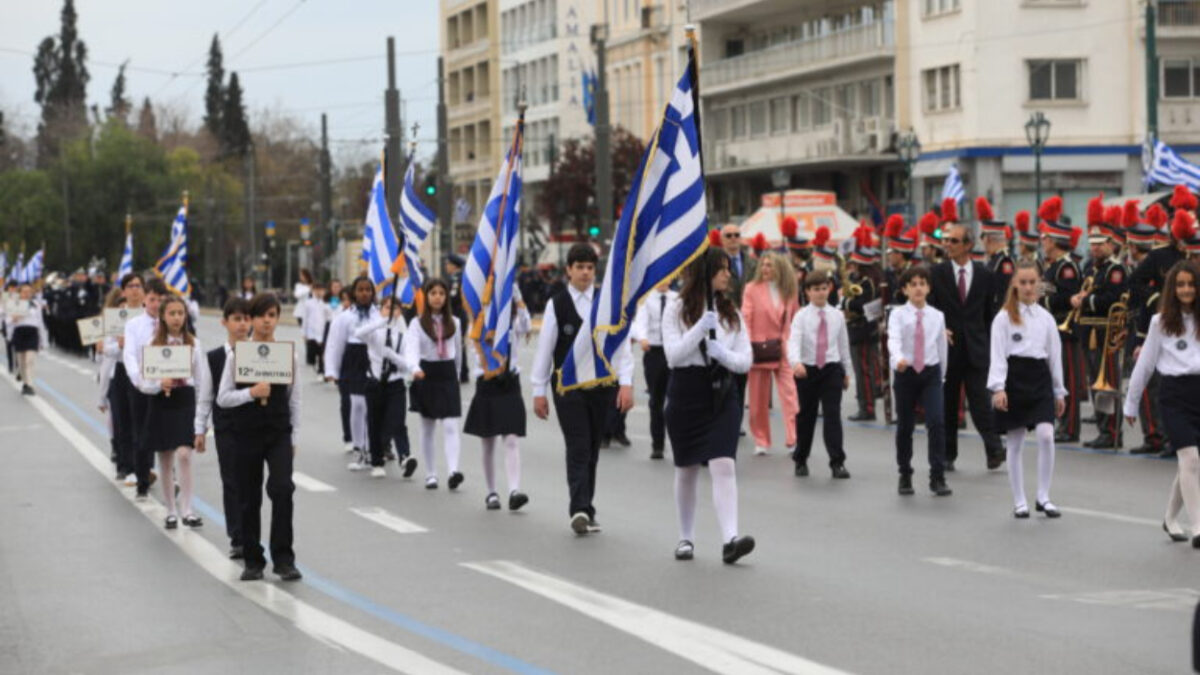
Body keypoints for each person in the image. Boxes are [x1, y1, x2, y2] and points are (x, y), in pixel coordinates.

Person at [530, 243, 634, 535]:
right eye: (580, 267)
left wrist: (626, 383)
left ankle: (588, 508)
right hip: (568, 386)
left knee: (591, 448)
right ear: (569, 270)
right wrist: (539, 389)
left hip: (601, 385)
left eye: (590, 267)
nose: (586, 273)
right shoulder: (557, 304)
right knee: (577, 445)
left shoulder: (606, 303)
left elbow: (621, 348)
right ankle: (578, 508)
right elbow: (545, 348)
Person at [662, 247, 755, 564]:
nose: (728, 274)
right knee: (686, 468)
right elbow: (673, 356)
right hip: (686, 392)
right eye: (721, 269)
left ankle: (730, 538)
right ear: (704, 272)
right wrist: (699, 329)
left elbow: (745, 360)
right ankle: (685, 537)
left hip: (720, 392)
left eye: (729, 269)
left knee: (723, 463)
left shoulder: (731, 313)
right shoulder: (675, 308)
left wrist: (722, 354)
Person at [217, 293, 302, 582]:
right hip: (247, 432)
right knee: (248, 497)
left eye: (272, 315)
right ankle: (253, 559)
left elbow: (294, 399)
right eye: (262, 315)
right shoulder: (236, 356)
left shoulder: (288, 355)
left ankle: (283, 558)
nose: (267, 321)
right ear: (252, 319)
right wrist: (251, 393)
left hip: (278, 432)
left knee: (282, 489)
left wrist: (294, 438)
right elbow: (223, 398)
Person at [1123, 261, 1200, 547]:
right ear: (1172, 289)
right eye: (1180, 285)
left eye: (1191, 284)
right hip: (1174, 396)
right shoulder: (1161, 321)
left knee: (1187, 466)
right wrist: (1131, 404)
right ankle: (1198, 526)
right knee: (1190, 460)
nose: (1186, 290)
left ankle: (1170, 518)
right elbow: (1144, 365)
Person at [928, 208, 1005, 471]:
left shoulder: (985, 275)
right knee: (949, 404)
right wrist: (939, 331)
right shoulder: (936, 273)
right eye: (946, 240)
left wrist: (987, 342)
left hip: (976, 348)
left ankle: (994, 449)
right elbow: (930, 309)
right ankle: (948, 454)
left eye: (953, 240)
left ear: (968, 245)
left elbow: (988, 315)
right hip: (948, 350)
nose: (947, 244)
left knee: (981, 401)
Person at [988, 261, 1067, 519]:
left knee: (1046, 434)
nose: (1028, 287)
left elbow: (1055, 356)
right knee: (1016, 440)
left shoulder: (1046, 318)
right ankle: (1019, 500)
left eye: (1033, 282)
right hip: (1014, 379)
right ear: (1014, 284)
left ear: (1040, 283)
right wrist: (999, 388)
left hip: (1039, 378)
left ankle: (1043, 496)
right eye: (1023, 282)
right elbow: (998, 356)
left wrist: (1059, 390)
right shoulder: (1003, 318)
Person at [138, 295, 206, 529]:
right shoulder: (152, 345)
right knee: (165, 458)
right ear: (163, 317)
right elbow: (144, 382)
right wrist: (159, 384)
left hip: (185, 400)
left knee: (185, 455)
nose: (177, 318)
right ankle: (170, 510)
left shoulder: (193, 344)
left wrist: (203, 417)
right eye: (172, 313)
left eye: (180, 313)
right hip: (161, 401)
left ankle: (188, 509)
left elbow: (201, 381)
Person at [463, 293, 532, 510]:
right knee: (488, 440)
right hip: (487, 382)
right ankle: (491, 492)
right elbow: (476, 353)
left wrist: (516, 292)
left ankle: (514, 490)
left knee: (511, 438)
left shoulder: (514, 323)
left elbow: (527, 322)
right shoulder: (478, 325)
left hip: (510, 382)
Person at [194, 297, 251, 558]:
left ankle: (251, 532)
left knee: (250, 481)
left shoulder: (262, 353)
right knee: (231, 480)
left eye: (246, 319)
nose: (242, 325)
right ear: (225, 322)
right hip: (226, 426)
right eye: (237, 319)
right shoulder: (214, 357)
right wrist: (200, 428)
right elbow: (205, 395)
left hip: (254, 426)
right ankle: (237, 536)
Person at [888, 265, 952, 497]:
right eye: (913, 284)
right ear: (905, 290)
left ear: (928, 288)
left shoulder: (937, 316)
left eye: (922, 284)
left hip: (930, 372)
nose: (918, 288)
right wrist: (898, 359)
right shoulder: (897, 315)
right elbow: (893, 340)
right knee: (905, 426)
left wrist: (941, 376)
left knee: (936, 422)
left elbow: (941, 347)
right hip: (906, 372)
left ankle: (937, 475)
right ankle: (905, 472)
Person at [1074, 206, 1129, 450]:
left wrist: (1086, 300)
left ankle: (1111, 431)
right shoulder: (1092, 269)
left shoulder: (1115, 270)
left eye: (1100, 243)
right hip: (1091, 332)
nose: (1095, 247)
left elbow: (1112, 300)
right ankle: (1102, 428)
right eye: (1092, 243)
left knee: (1107, 382)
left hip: (1107, 333)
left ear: (1111, 244)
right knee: (1095, 382)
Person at [788, 270, 851, 479]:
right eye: (816, 289)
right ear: (807, 292)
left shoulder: (837, 315)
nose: (821, 293)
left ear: (829, 289)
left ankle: (837, 462)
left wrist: (846, 371)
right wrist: (796, 363)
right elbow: (793, 342)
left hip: (831, 368)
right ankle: (800, 459)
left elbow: (843, 345)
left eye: (824, 288)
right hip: (808, 369)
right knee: (807, 415)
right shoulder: (801, 316)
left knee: (833, 414)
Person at [406, 278, 465, 490]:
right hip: (426, 373)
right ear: (426, 296)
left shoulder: (455, 322)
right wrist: (414, 368)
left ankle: (453, 471)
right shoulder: (417, 323)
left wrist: (457, 375)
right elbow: (410, 349)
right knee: (428, 426)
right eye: (433, 293)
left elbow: (457, 351)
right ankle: (431, 474)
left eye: (441, 293)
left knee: (450, 424)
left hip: (447, 373)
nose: (437, 297)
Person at [741, 251, 800, 456]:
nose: (765, 268)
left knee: (791, 395)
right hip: (759, 349)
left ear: (780, 268)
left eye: (770, 265)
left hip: (784, 349)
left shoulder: (789, 291)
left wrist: (794, 345)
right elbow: (746, 318)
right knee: (758, 400)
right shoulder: (751, 289)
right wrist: (747, 345)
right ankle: (761, 439)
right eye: (763, 265)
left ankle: (794, 438)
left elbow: (795, 320)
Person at [1039, 212, 1086, 444]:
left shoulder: (1066, 268)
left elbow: (1067, 298)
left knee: (1068, 380)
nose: (1042, 242)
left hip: (1065, 330)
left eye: (1045, 238)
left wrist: (1043, 301)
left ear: (1054, 240)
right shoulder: (1053, 267)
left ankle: (1070, 427)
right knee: (1056, 379)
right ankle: (1061, 422)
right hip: (1051, 329)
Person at [355, 295, 414, 479]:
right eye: (387, 307)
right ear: (381, 309)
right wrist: (380, 323)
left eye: (394, 308)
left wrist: (392, 356)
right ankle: (377, 460)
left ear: (399, 312)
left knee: (398, 420)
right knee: (375, 422)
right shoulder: (375, 331)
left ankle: (405, 456)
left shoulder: (403, 335)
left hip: (395, 382)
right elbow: (359, 334)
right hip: (375, 382)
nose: (390, 311)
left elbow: (408, 363)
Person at [324, 277, 380, 469]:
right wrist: (332, 370)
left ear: (373, 293)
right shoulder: (344, 317)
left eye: (368, 290)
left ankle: (374, 448)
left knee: (373, 408)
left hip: (374, 361)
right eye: (360, 290)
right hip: (354, 361)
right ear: (354, 293)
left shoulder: (379, 316)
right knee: (357, 405)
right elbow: (334, 345)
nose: (364, 293)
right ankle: (358, 448)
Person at [123, 277, 168, 500]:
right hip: (141, 386)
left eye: (161, 300)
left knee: (169, 435)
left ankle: (172, 480)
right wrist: (138, 379)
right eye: (152, 299)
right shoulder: (133, 325)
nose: (156, 304)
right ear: (144, 300)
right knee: (141, 434)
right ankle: (142, 481)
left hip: (168, 386)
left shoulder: (173, 322)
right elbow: (129, 355)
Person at [630, 279, 676, 460]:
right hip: (654, 351)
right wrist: (642, 338)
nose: (663, 281)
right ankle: (657, 444)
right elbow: (641, 321)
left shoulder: (677, 299)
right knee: (656, 400)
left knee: (675, 399)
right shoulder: (647, 299)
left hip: (674, 351)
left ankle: (679, 441)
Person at [96, 287, 125, 473]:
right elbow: (102, 358)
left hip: (134, 376)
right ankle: (116, 445)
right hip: (113, 375)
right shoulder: (107, 325)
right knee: (116, 416)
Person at [9, 283, 47, 396]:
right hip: (19, 332)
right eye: (24, 291)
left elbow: (40, 321)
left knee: (29, 360)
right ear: (19, 293)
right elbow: (7, 321)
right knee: (21, 362)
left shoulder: (35, 304)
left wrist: (43, 340)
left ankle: (30, 385)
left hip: (32, 332)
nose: (26, 294)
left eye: (29, 292)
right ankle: (25, 382)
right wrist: (14, 318)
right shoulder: (14, 304)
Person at [299, 282, 331, 379]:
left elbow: (329, 317)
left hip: (323, 331)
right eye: (316, 290)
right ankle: (317, 367)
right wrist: (304, 332)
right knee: (313, 354)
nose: (318, 292)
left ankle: (322, 371)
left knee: (322, 352)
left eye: (320, 290)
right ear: (313, 291)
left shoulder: (326, 303)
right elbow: (305, 318)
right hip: (311, 332)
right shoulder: (308, 303)